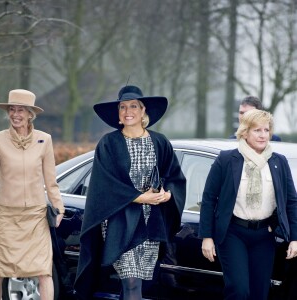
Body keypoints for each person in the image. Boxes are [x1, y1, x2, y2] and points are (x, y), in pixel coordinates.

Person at [74, 85, 186, 300]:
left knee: (136, 285)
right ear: (118, 114)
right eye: (123, 107)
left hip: (151, 221)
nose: (128, 111)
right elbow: (104, 184)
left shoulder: (159, 141)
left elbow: (174, 176)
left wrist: (168, 194)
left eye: (134, 106)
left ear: (143, 111)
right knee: (131, 280)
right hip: (120, 221)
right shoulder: (109, 143)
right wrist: (139, 197)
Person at [199, 109, 297, 300]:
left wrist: (295, 237)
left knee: (259, 293)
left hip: (264, 235)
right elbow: (209, 198)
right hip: (233, 233)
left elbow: (291, 202)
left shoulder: (279, 162)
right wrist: (207, 237)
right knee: (239, 290)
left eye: (266, 130)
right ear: (245, 132)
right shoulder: (227, 160)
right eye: (257, 130)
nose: (263, 135)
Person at [0, 89, 65, 300]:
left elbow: (50, 180)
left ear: (30, 114)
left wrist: (58, 206)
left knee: (44, 272)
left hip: (36, 217)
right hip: (5, 215)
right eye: (12, 110)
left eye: (21, 110)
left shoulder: (44, 140)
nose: (15, 114)